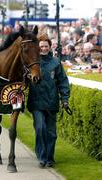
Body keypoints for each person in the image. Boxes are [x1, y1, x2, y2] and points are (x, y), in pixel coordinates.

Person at [27, 34, 70, 168]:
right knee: (40, 128)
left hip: (51, 102)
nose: (44, 49)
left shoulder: (56, 62)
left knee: (51, 133)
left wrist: (65, 99)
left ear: (50, 47)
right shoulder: (32, 62)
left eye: (46, 46)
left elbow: (63, 81)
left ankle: (49, 158)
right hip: (36, 102)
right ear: (37, 47)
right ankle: (42, 157)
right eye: (41, 46)